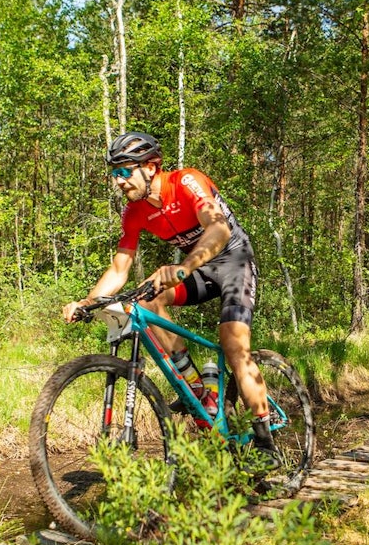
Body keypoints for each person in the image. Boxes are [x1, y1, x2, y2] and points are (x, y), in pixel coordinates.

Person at [62, 131, 278, 466]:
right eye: (115, 173)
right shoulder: (134, 212)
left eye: (125, 171)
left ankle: (266, 445)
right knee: (145, 298)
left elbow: (218, 229)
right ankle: (196, 387)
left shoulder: (187, 181)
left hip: (234, 262)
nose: (118, 181)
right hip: (200, 268)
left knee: (233, 345)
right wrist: (87, 302)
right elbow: (119, 269)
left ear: (150, 167)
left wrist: (183, 267)